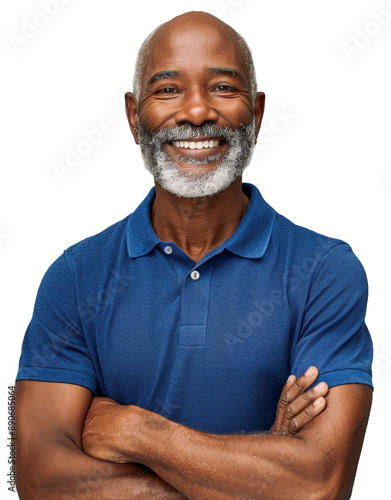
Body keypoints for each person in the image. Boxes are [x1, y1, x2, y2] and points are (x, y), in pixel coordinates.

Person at [15, 10, 373, 499]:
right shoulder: (75, 278)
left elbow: (318, 484)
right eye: (167, 90)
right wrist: (258, 466)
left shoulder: (324, 272)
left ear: (259, 113)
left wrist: (141, 432)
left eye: (223, 88)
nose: (197, 112)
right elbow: (41, 481)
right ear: (133, 116)